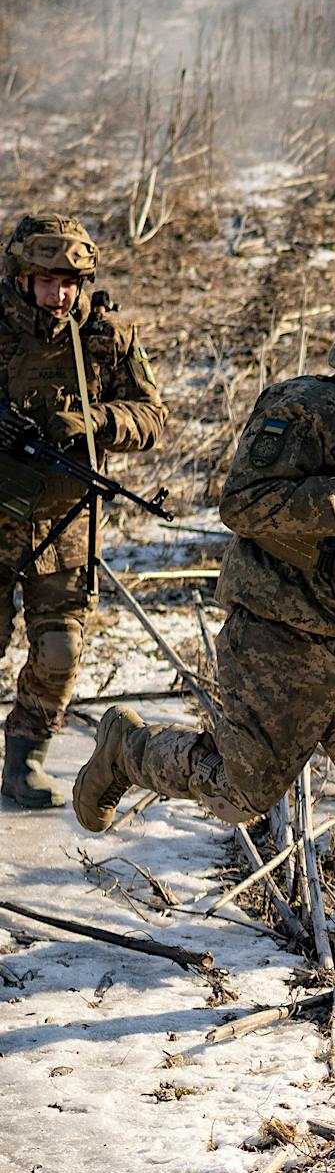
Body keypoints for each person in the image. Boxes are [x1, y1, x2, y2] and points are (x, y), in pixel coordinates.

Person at [73, 297, 335, 1014]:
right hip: (279, 636)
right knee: (240, 797)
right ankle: (128, 749)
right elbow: (243, 503)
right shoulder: (307, 409)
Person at [0, 215, 166, 808]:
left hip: (67, 523)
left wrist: (98, 421)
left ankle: (25, 759)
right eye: (46, 280)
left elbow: (153, 418)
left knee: (60, 651)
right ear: (21, 278)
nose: (59, 293)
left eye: (71, 281)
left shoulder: (107, 337)